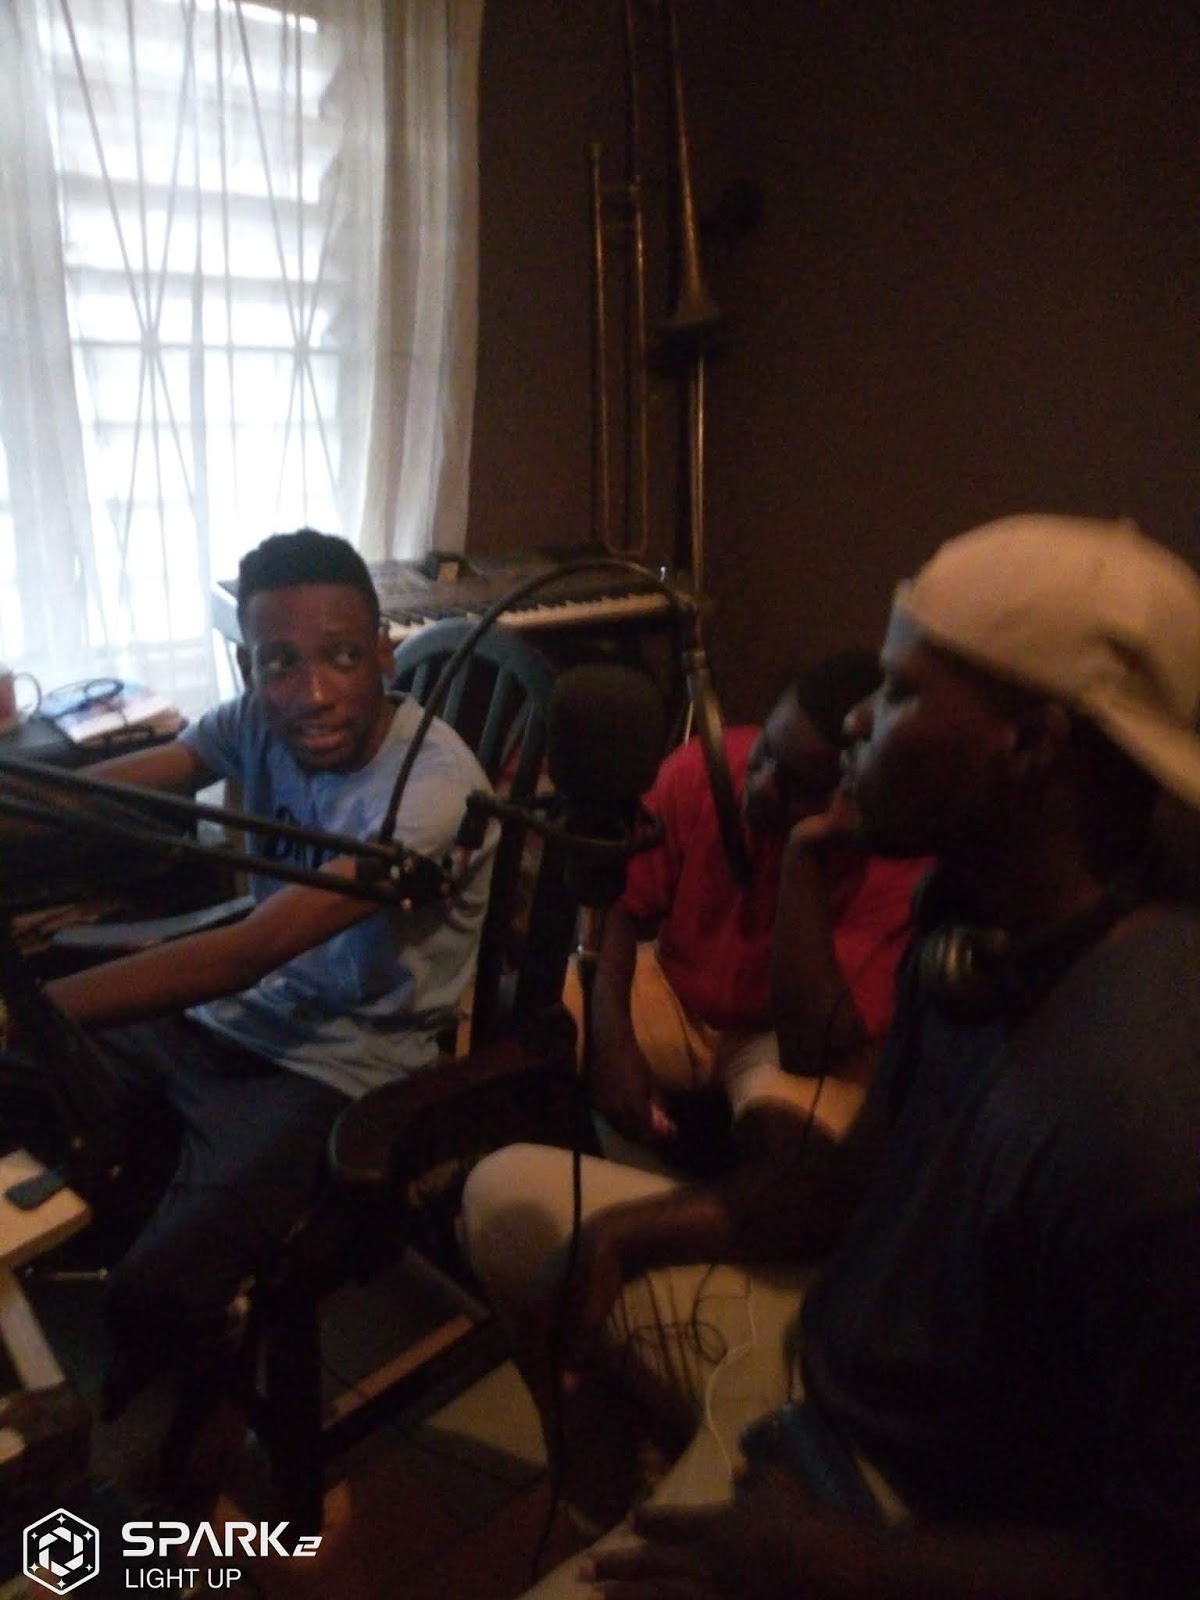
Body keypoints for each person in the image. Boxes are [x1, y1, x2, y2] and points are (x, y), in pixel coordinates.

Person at [462, 513, 1200, 1599]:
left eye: (898, 692)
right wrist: (635, 1228)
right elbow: (843, 1192)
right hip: (817, 1374)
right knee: (507, 1199)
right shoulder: (970, 930)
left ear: (1031, 744)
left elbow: (1164, 1558)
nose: (854, 717)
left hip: (905, 1516)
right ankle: (624, 1507)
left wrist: (841, 1566)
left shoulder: (1143, 1117)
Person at [0, 529, 495, 1480]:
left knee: (153, 1286)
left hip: (336, 1064)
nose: (312, 694)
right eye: (280, 664)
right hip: (238, 1018)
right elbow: (110, 794)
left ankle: (207, 1371)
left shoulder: (432, 792)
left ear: (384, 654)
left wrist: (29, 1008)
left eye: (342, 657)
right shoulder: (257, 719)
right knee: (28, 1085)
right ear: (248, 667)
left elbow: (246, 951)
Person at [575, 652, 926, 1168]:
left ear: (857, 793)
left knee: (799, 1145)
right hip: (674, 990)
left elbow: (810, 1042)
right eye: (766, 755)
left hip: (775, 1034)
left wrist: (803, 855)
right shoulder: (707, 767)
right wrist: (613, 1039)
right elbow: (617, 904)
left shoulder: (899, 870)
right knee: (534, 1018)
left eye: (797, 785)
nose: (761, 786)